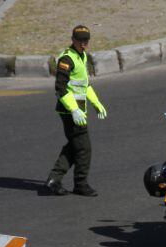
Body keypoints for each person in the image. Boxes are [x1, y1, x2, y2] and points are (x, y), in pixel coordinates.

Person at [45, 25, 107, 197]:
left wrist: (96, 103)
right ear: (73, 40)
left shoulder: (82, 57)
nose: (84, 44)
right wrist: (73, 110)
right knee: (84, 148)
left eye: (86, 40)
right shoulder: (67, 59)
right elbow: (60, 88)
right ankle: (80, 183)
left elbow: (84, 85)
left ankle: (54, 179)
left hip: (78, 110)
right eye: (80, 41)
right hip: (70, 111)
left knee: (75, 145)